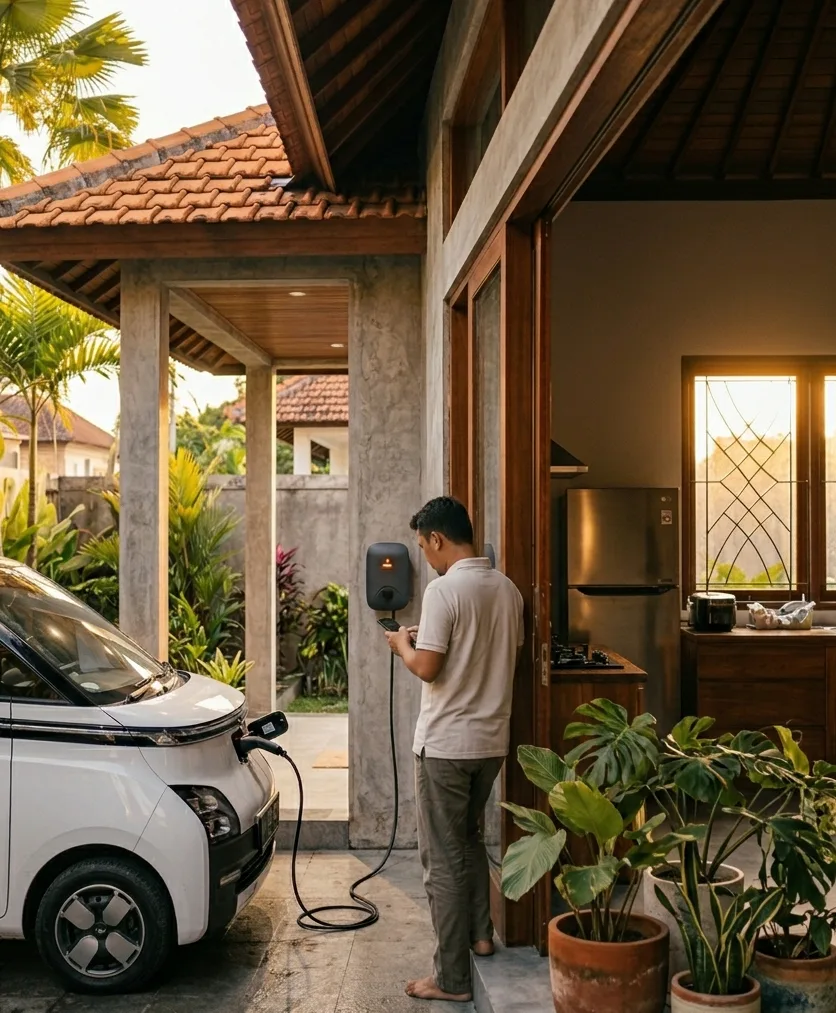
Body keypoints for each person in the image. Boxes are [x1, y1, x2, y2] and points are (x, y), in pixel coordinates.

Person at [385, 496, 524, 1003]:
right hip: (491, 745)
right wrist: (425, 639)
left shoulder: (444, 591)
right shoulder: (507, 590)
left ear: (438, 539)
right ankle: (481, 936)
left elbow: (428, 668)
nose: (425, 556)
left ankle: (452, 979)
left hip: (446, 747)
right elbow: (488, 652)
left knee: (441, 861)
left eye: (424, 547)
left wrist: (402, 645)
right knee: (468, 841)